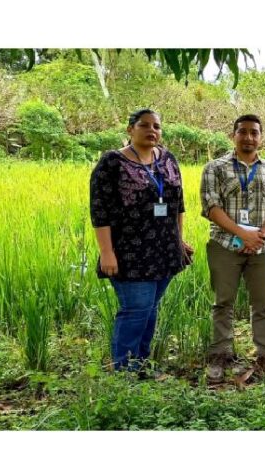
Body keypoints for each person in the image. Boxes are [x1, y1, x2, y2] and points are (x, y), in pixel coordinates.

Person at [89, 109, 192, 377]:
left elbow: (178, 204)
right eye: (144, 125)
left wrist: (179, 240)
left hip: (164, 250)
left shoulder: (167, 159)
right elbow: (100, 211)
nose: (151, 130)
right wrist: (106, 252)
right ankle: (125, 372)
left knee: (149, 310)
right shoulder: (112, 162)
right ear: (130, 129)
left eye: (156, 126)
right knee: (135, 311)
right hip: (129, 252)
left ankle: (142, 366)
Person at [200, 114, 265, 382]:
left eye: (254, 132)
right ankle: (220, 354)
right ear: (233, 135)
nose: (248, 137)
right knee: (223, 302)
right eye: (243, 132)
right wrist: (242, 234)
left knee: (263, 304)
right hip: (224, 244)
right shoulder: (215, 167)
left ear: (260, 137)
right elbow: (211, 207)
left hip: (263, 246)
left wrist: (259, 235)